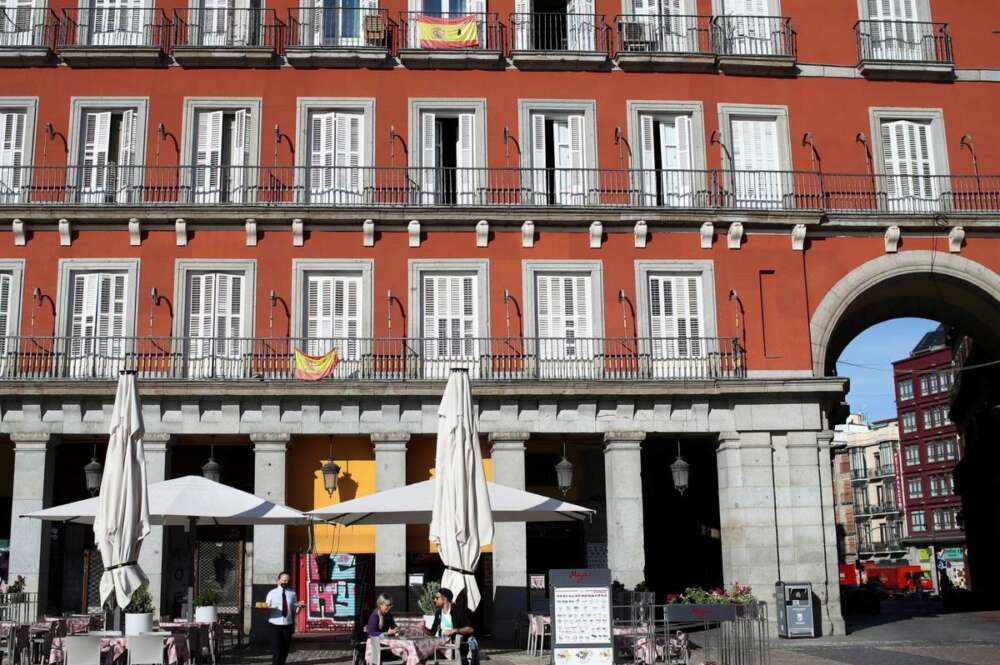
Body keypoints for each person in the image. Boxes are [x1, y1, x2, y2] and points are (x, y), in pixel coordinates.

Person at [427, 588, 478, 665]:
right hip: (442, 645)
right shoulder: (438, 613)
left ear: (445, 599)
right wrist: (422, 629)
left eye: (437, 598)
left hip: (455, 645)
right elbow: (432, 632)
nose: (435, 600)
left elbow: (470, 629)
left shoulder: (457, 611)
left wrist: (454, 630)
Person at [265, 571, 303, 665]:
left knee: (285, 648)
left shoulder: (292, 593)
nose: (286, 582)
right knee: (276, 648)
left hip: (287, 624)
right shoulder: (272, 593)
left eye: (288, 580)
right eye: (284, 580)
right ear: (278, 581)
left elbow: (294, 609)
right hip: (274, 624)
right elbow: (266, 607)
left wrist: (299, 607)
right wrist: (267, 609)